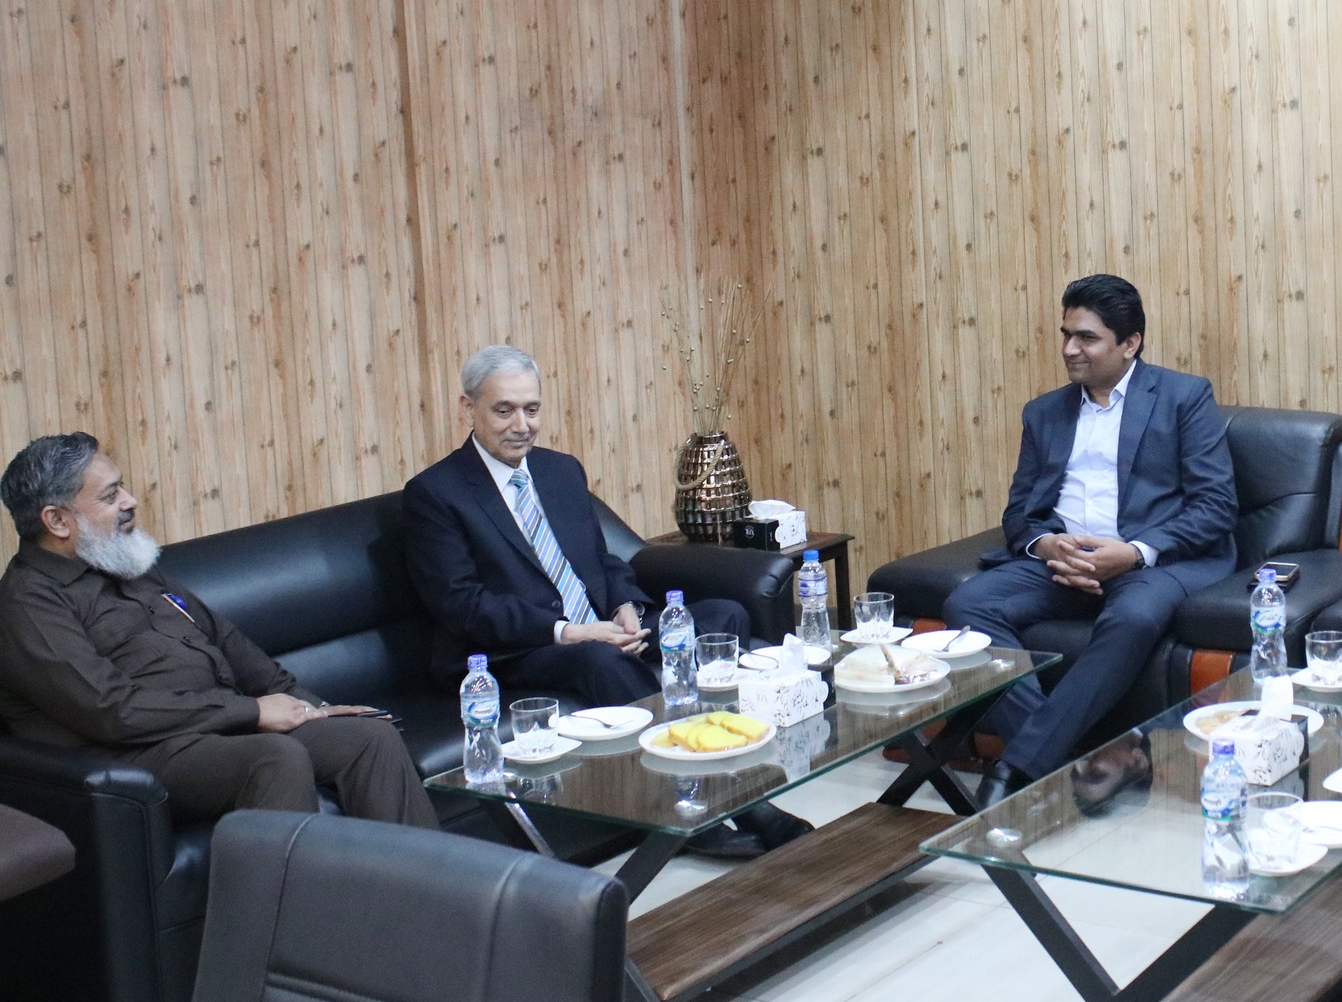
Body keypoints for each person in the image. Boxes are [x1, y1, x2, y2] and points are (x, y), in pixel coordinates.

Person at [403, 344, 808, 855]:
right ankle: (706, 809)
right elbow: (461, 603)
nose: (521, 425)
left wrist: (626, 607)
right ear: (469, 408)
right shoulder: (436, 493)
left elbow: (600, 559)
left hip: (599, 626)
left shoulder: (560, 471)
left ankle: (729, 757)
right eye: (504, 410)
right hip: (517, 649)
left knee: (722, 616)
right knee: (599, 659)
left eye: (532, 409)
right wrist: (571, 632)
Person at [0, 433, 437, 829]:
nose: (130, 501)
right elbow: (113, 711)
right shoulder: (27, 604)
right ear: (57, 521)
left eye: (123, 487)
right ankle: (294, 897)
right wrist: (252, 712)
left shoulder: (123, 562)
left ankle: (428, 887)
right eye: (111, 495)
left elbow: (226, 640)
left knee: (368, 737)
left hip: (217, 727)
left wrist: (315, 707)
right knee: (274, 757)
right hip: (134, 756)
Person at [946, 275, 1239, 809]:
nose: (1069, 349)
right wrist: (1046, 545)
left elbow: (1215, 505)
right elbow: (1019, 513)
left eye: (1086, 338)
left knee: (1133, 618)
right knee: (968, 603)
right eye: (1066, 335)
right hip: (1063, 562)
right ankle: (1062, 761)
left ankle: (1017, 768)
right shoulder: (1044, 412)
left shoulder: (1183, 397)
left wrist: (1133, 552)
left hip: (1148, 563)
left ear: (1130, 343)